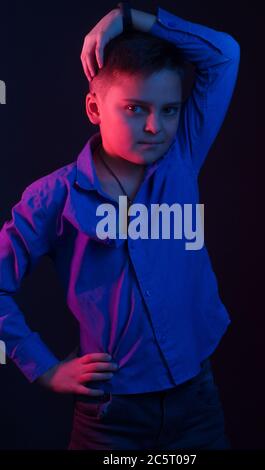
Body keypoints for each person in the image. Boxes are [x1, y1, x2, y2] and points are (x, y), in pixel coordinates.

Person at [0, 4, 240, 450]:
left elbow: (224, 53)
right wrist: (44, 368)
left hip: (197, 399)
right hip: (111, 417)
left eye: (170, 110)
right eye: (135, 108)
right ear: (94, 107)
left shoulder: (181, 159)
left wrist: (129, 17)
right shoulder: (54, 196)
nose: (157, 126)